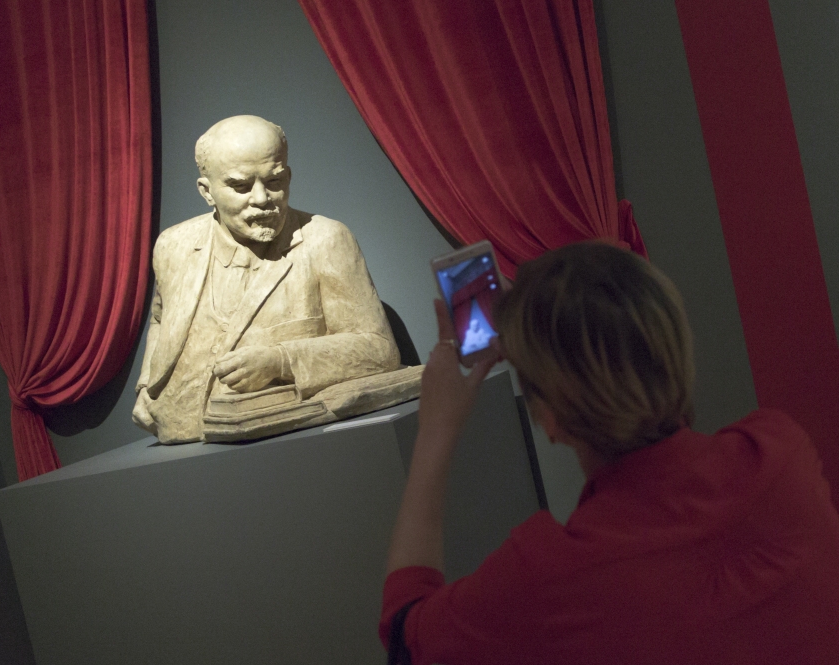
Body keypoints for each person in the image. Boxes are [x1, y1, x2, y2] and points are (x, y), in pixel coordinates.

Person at [380, 241, 839, 664]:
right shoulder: (781, 454)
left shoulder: (545, 577)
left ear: (552, 419)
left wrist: (436, 431)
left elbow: (406, 636)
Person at [132, 115, 400, 443]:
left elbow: (379, 349)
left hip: (278, 441)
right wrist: (147, 385)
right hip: (177, 430)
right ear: (207, 191)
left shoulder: (326, 241)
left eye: (274, 181)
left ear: (287, 175)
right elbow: (160, 320)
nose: (262, 199)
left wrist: (279, 361)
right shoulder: (173, 245)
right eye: (241, 186)